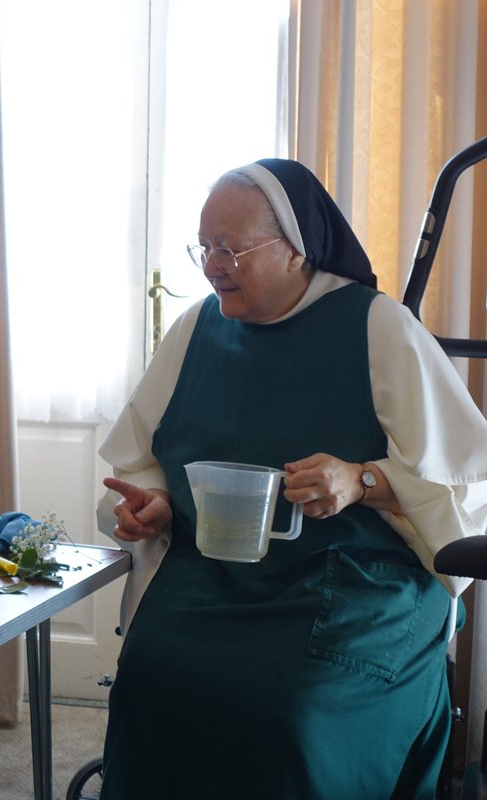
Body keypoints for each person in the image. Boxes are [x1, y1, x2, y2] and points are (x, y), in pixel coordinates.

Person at [97, 157, 487, 799]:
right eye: (204, 246)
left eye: (231, 248)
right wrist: (156, 504)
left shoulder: (377, 325)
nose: (213, 264)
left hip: (357, 581)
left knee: (292, 713)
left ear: (296, 250)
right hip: (216, 574)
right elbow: (143, 453)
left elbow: (462, 485)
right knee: (151, 679)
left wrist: (360, 479)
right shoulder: (196, 327)